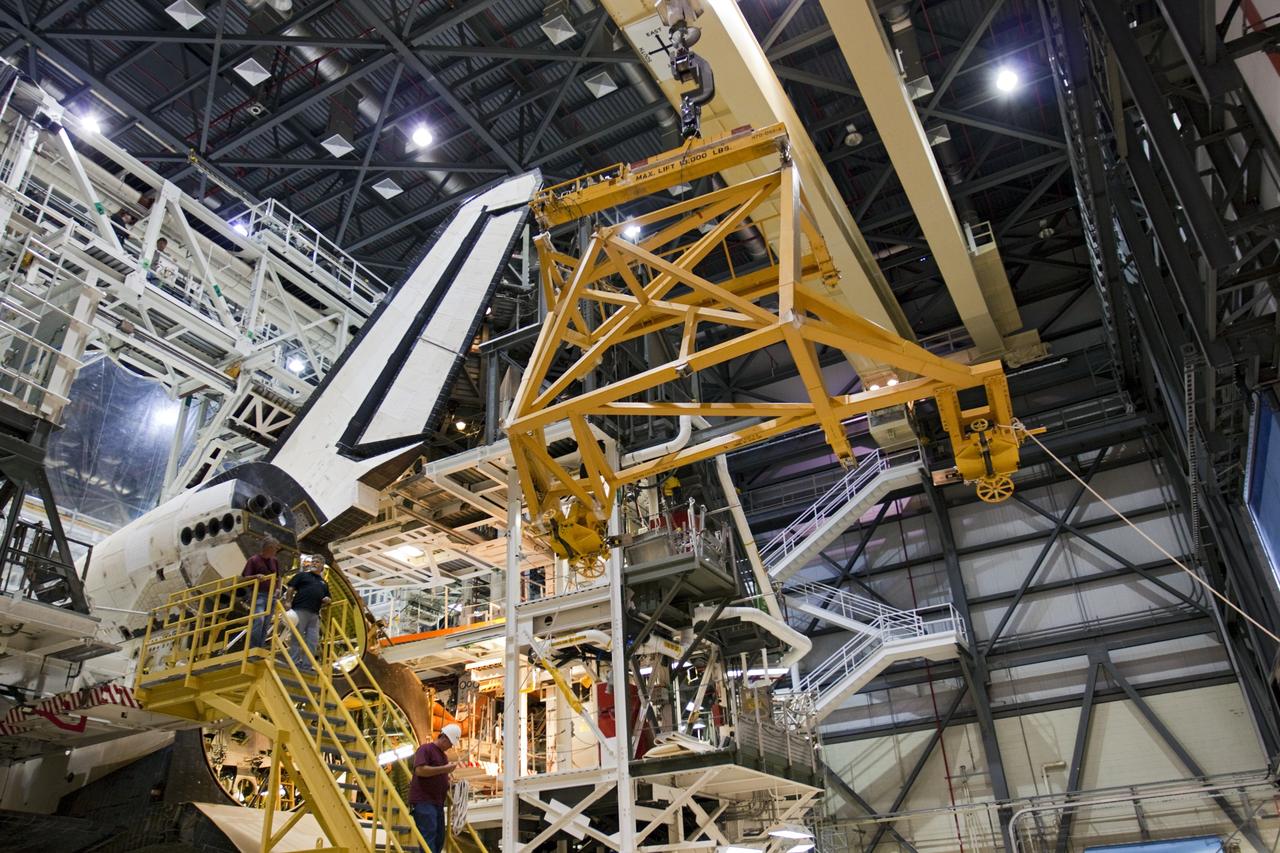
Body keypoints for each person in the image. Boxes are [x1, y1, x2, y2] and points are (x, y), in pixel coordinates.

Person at [409, 723, 461, 853]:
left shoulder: (443, 756)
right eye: (450, 743)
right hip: (424, 801)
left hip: (437, 803)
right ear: (444, 738)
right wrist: (444, 769)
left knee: (439, 838)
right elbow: (420, 770)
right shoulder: (425, 749)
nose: (450, 747)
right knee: (429, 836)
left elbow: (438, 775)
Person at [284, 558, 330, 672]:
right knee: (297, 637)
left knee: (312, 640)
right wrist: (288, 601)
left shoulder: (324, 583)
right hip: (300, 609)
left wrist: (327, 599)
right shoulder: (302, 576)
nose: (314, 563)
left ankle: (307, 665)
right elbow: (291, 588)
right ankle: (293, 663)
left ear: (322, 566)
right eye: (313, 561)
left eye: (317, 562)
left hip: (314, 614)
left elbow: (328, 597)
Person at [241, 535, 282, 647]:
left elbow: (278, 577)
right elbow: (244, 578)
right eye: (275, 548)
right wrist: (256, 576)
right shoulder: (253, 560)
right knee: (259, 619)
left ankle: (260, 646)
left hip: (272, 596)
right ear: (269, 548)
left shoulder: (274, 561)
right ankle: (253, 647)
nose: (276, 551)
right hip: (259, 595)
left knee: (266, 623)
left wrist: (278, 589)